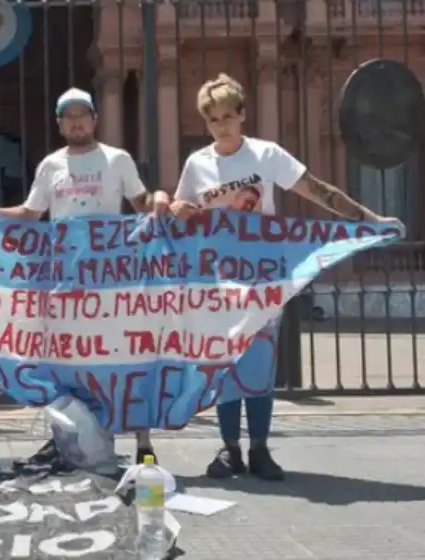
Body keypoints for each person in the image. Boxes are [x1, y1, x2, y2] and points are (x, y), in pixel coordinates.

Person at [171, 73, 402, 481]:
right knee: (224, 362)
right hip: (217, 282)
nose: (221, 126)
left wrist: (370, 219)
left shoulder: (266, 155)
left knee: (260, 363)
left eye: (228, 116)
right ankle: (229, 449)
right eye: (213, 119)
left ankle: (259, 448)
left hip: (264, 279)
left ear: (242, 115)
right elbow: (181, 208)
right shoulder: (197, 163)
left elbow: (317, 190)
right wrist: (178, 209)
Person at [0, 88, 170, 465]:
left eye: (82, 114)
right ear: (60, 125)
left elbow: (142, 204)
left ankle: (142, 443)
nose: (76, 122)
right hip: (66, 285)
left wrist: (159, 196)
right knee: (66, 364)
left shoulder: (117, 159)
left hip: (112, 285)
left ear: (94, 119)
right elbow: (31, 214)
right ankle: (67, 438)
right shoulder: (50, 166)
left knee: (125, 359)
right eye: (69, 116)